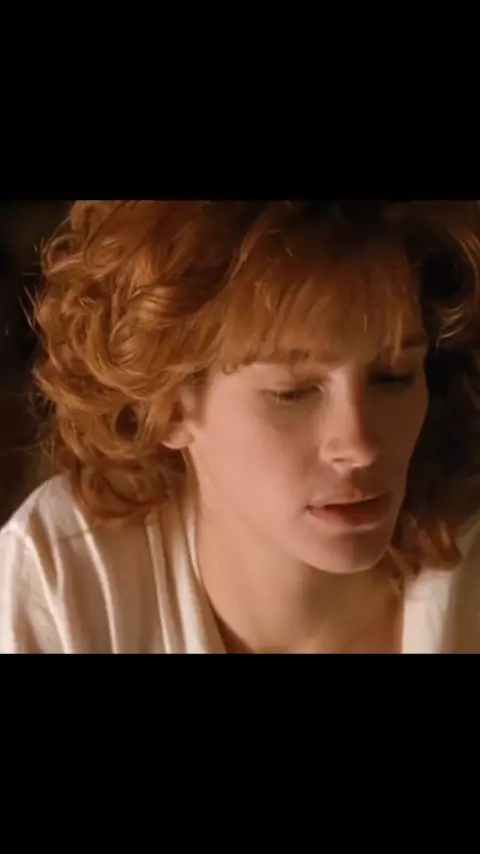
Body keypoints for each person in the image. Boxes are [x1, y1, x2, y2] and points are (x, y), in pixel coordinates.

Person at [1, 199, 480, 654]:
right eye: (293, 392)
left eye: (393, 378)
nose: (360, 444)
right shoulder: (67, 576)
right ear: (168, 407)